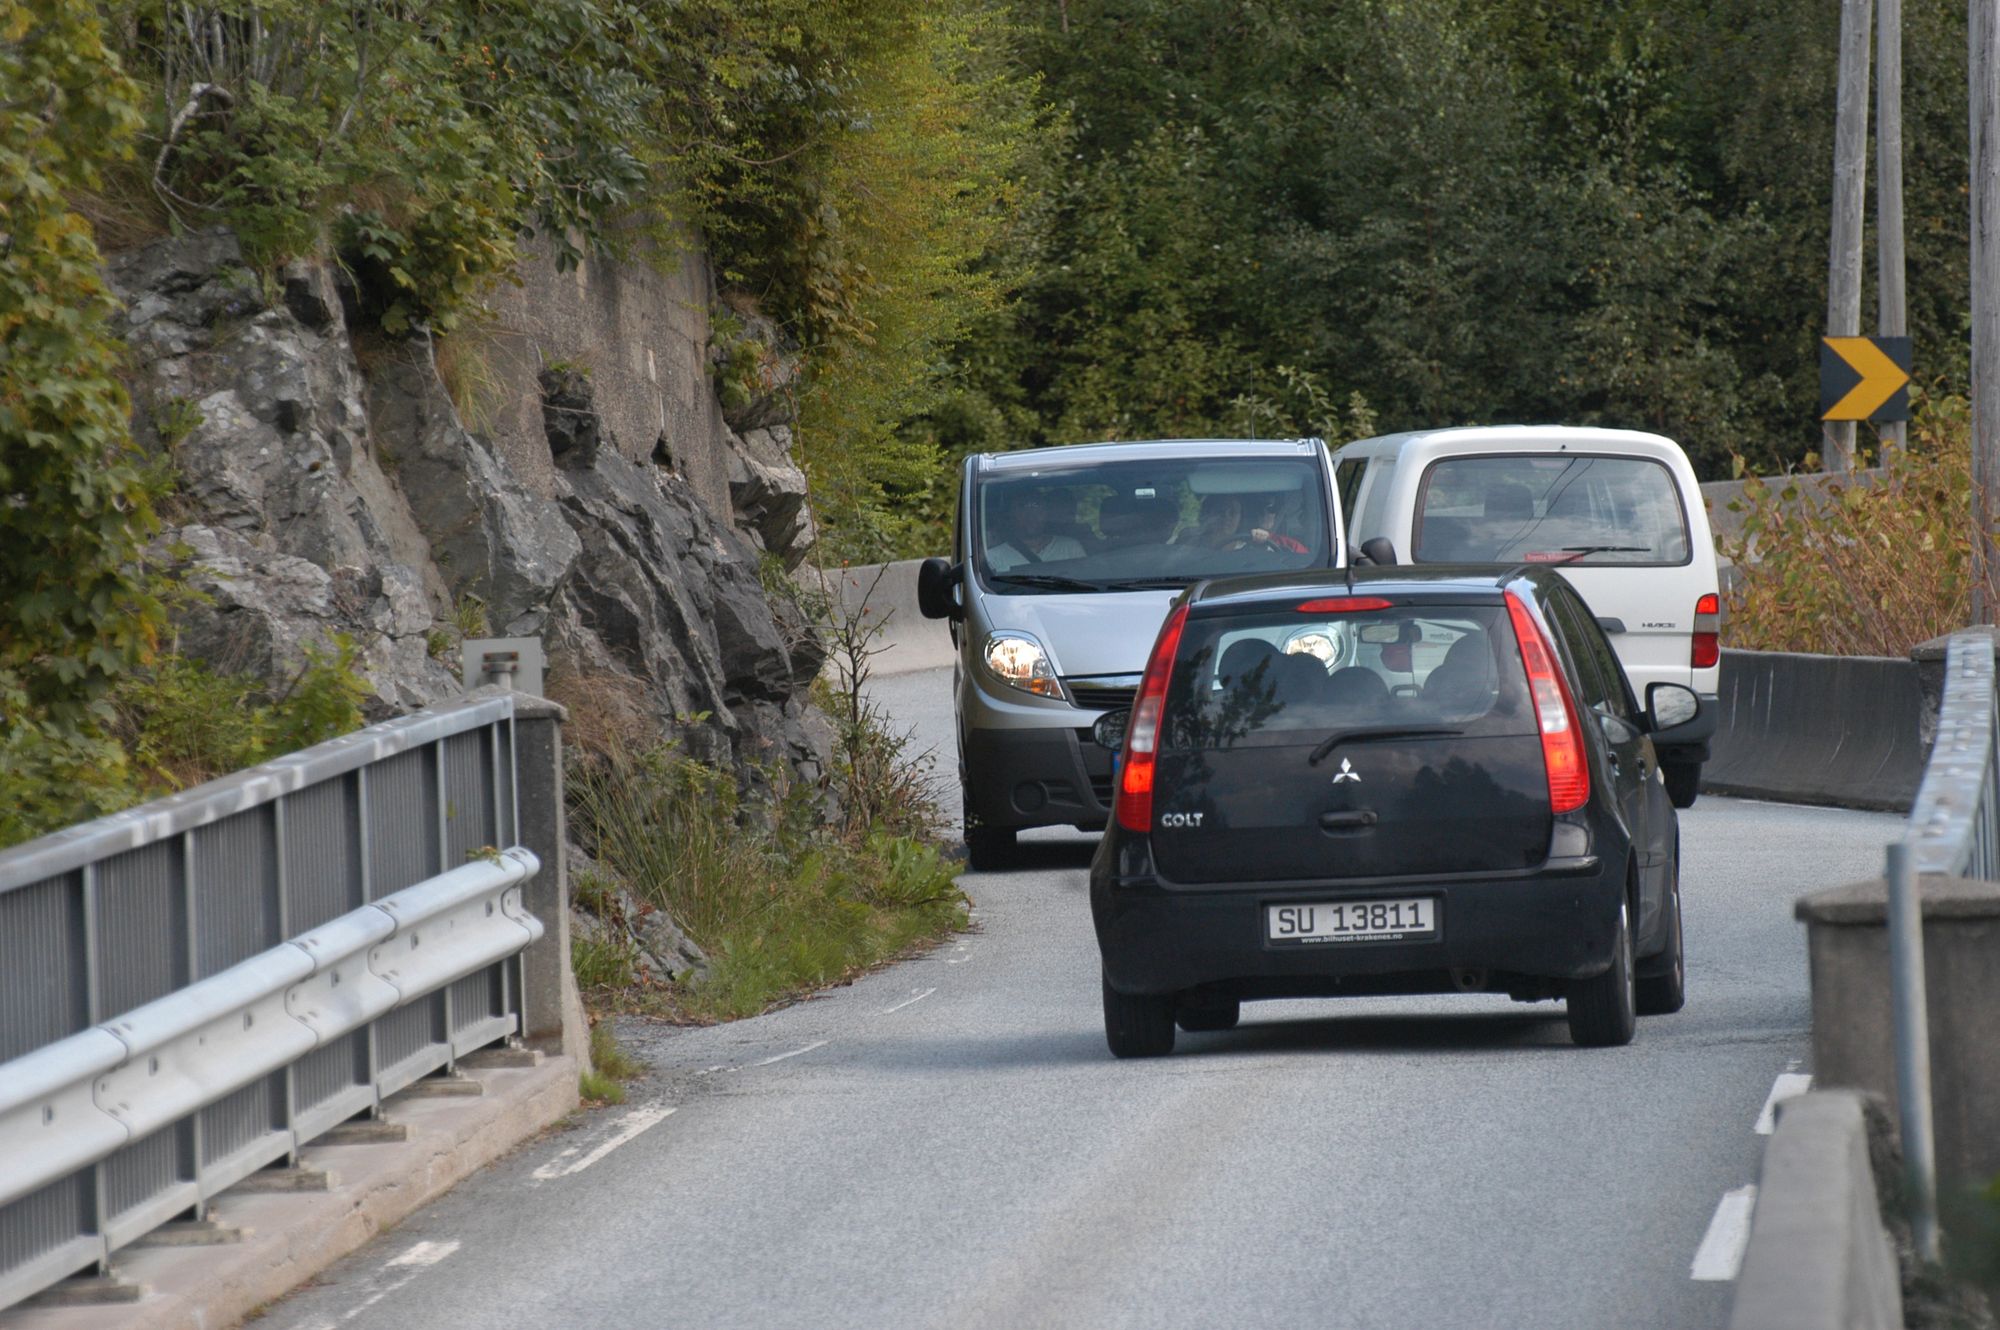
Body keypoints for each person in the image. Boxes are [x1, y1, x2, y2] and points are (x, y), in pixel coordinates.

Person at [987, 489, 1086, 571]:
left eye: (1037, 507)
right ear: (1010, 515)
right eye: (1022, 507)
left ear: (1046, 513)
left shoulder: (1070, 548)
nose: (1031, 515)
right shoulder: (993, 557)